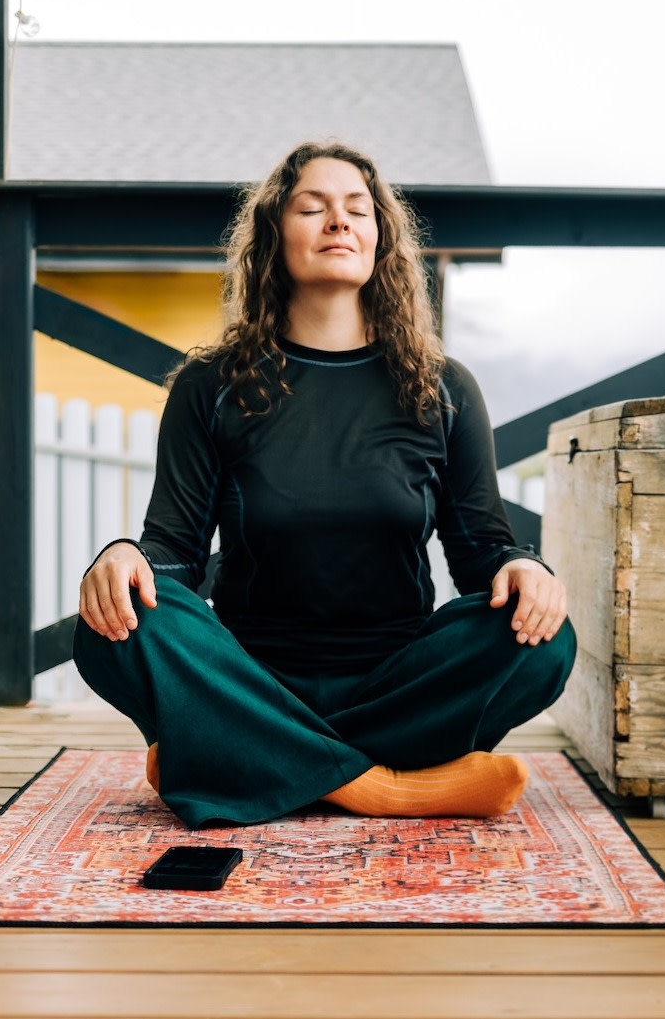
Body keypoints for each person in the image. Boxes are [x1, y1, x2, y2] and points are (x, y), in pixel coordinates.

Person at [72, 141, 575, 830]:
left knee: (545, 637)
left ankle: (227, 756)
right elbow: (175, 556)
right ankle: (387, 786)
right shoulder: (210, 387)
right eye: (313, 207)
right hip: (249, 674)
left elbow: (482, 551)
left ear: (380, 238)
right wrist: (123, 556)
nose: (339, 221)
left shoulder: (443, 389)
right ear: (276, 237)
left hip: (399, 679)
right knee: (112, 623)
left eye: (357, 209)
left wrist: (525, 566)